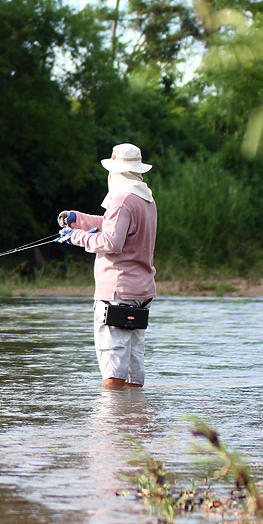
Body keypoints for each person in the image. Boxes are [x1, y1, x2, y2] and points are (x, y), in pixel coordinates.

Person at [55, 143, 157, 388]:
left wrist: (74, 236)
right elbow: (113, 224)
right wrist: (77, 219)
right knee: (133, 368)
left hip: (117, 294)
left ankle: (113, 425)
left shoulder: (122, 200)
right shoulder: (145, 199)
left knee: (113, 369)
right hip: (140, 293)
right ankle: (133, 421)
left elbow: (111, 241)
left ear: (116, 171)